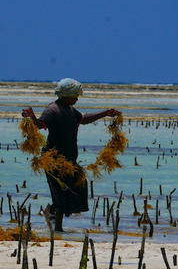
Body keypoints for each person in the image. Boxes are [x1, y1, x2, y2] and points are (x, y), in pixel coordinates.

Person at [21, 78, 120, 232]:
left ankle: (50, 212)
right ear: (66, 95)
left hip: (69, 159)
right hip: (53, 159)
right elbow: (39, 125)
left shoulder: (70, 109)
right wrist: (31, 117)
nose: (77, 98)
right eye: (75, 95)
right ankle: (58, 230)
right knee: (61, 193)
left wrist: (105, 113)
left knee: (75, 189)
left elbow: (83, 119)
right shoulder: (53, 110)